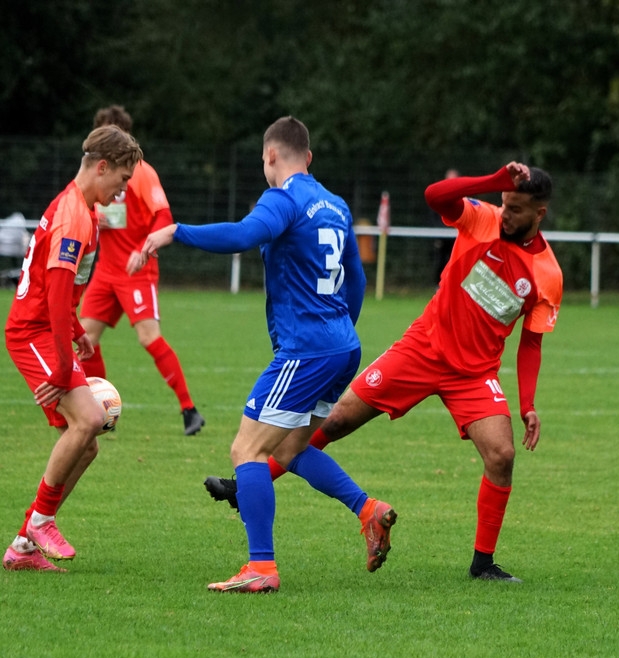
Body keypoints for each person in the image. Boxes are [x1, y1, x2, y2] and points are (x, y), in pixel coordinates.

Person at [206, 161, 563, 583]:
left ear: (540, 213)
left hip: (474, 373)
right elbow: (435, 195)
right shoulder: (483, 218)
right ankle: (250, 482)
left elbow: (531, 344)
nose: (506, 215)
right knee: (334, 421)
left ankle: (483, 564)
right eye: (504, 203)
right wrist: (494, 182)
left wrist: (528, 404)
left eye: (516, 209)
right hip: (421, 349)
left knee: (502, 456)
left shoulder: (547, 275)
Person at [130, 116, 385, 593]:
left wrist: (175, 231)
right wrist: (339, 330)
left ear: (270, 156)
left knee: (246, 450)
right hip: (343, 346)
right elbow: (357, 279)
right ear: (308, 157)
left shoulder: (282, 199)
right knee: (291, 450)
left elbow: (243, 236)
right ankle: (368, 510)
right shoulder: (336, 205)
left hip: (307, 350)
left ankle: (261, 568)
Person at [3, 125, 143, 572]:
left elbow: (58, 292)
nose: (123, 190)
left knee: (86, 445)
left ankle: (22, 548)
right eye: (122, 178)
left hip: (51, 327)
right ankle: (41, 521)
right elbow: (56, 294)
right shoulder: (73, 218)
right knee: (89, 420)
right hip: (33, 331)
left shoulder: (82, 208)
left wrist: (77, 329)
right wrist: (63, 367)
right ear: (102, 167)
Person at [80, 105, 205, 436]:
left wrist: (143, 249)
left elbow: (163, 216)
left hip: (137, 271)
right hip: (106, 271)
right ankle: (98, 410)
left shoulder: (142, 172)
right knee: (85, 337)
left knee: (149, 337)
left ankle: (189, 410)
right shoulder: (99, 174)